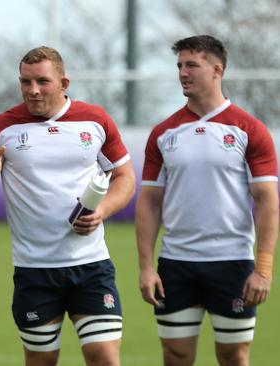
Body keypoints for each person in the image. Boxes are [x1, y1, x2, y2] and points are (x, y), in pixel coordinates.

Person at [0, 46, 135, 366]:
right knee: (41, 361)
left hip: (91, 267)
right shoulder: (1, 128)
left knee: (105, 359)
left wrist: (103, 210)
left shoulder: (95, 120)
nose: (33, 90)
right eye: (25, 82)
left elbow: (124, 176)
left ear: (64, 83)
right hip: (35, 271)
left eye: (42, 81)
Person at [136, 35, 278, 366]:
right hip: (177, 265)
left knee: (233, 357)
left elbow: (267, 201)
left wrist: (264, 268)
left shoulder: (249, 129)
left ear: (217, 70)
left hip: (233, 264)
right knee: (175, 356)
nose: (183, 73)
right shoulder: (163, 133)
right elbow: (149, 202)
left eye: (191, 65)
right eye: (179, 66)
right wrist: (145, 266)